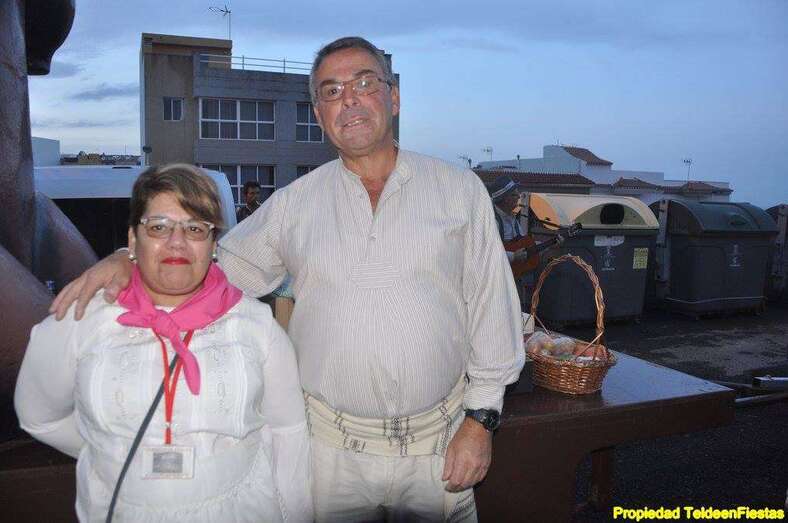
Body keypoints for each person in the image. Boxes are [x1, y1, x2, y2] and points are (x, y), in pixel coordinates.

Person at [51, 36, 524, 522]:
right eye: (332, 91)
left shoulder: (457, 191)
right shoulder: (295, 205)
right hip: (330, 454)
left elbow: (491, 307)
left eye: (365, 83)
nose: (350, 100)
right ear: (319, 114)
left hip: (439, 445)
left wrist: (481, 420)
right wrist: (130, 258)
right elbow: (212, 271)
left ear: (394, 96)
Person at [18, 164, 312, 522]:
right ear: (132, 239)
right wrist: (112, 453)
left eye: (195, 228)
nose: (177, 241)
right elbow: (40, 418)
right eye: (158, 227)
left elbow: (287, 432)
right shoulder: (81, 320)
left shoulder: (256, 326)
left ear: (213, 244)